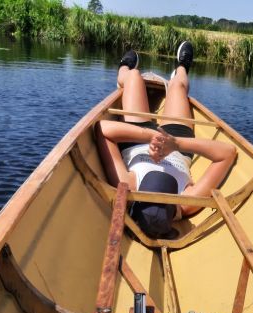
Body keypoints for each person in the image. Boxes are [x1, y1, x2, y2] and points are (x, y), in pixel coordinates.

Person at [95, 41, 237, 239]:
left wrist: (151, 135)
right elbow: (227, 153)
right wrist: (175, 144)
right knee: (178, 87)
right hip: (177, 145)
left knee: (134, 77)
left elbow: (102, 129)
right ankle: (182, 67)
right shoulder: (187, 203)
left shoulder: (128, 186)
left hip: (136, 137)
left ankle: (123, 70)